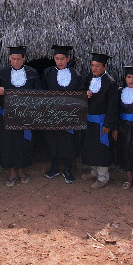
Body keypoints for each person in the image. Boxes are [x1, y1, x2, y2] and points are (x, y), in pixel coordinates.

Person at [0, 46, 39, 187]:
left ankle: (21, 170)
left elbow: (39, 93)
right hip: (7, 116)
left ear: (24, 58)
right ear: (9, 59)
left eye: (18, 59)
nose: (16, 61)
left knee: (23, 144)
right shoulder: (2, 73)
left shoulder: (32, 73)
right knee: (9, 144)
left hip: (25, 117)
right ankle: (12, 171)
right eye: (13, 59)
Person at [42, 45, 83, 183]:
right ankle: (54, 168)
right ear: (54, 58)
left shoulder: (75, 75)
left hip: (68, 115)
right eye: (57, 58)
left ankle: (67, 169)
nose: (59, 62)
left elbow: (79, 95)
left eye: (62, 59)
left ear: (68, 58)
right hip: (51, 114)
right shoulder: (47, 72)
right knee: (52, 141)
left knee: (67, 143)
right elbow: (42, 93)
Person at [82, 52, 117, 189]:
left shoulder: (110, 83)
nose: (94, 69)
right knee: (91, 147)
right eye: (92, 65)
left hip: (102, 122)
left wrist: (108, 124)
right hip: (90, 121)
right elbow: (81, 93)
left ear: (105, 66)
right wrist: (85, 94)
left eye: (97, 66)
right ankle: (94, 171)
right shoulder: (89, 78)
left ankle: (103, 177)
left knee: (102, 149)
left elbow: (112, 106)